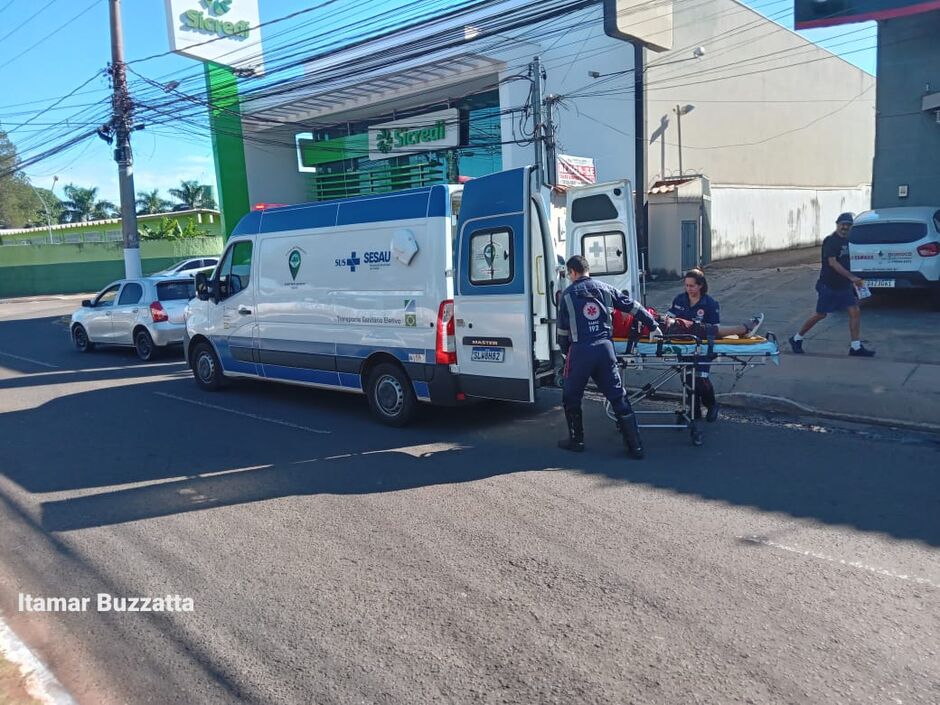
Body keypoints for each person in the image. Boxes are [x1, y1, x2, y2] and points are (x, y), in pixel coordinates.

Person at [556, 255, 663, 459]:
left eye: (569, 274)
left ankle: (577, 440)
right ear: (588, 270)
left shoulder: (567, 295)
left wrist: (564, 354)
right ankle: (636, 446)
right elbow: (634, 306)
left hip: (581, 351)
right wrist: (653, 325)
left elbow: (562, 332)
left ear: (573, 272)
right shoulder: (605, 288)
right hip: (605, 349)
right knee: (617, 396)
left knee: (571, 396)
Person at [789, 212, 875, 357]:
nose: (845, 227)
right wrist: (852, 277)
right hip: (828, 285)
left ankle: (855, 347)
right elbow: (832, 263)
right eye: (843, 224)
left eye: (848, 225)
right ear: (837, 224)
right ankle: (797, 338)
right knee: (821, 314)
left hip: (843, 286)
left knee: (855, 312)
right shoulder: (831, 241)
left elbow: (846, 262)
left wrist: (854, 279)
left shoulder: (846, 241)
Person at [669, 269, 721, 422]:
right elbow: (669, 318)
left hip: (703, 346)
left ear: (700, 286)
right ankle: (694, 409)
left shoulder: (710, 304)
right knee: (687, 378)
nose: (688, 289)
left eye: (692, 286)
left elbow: (715, 329)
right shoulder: (679, 300)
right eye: (686, 285)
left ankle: (711, 405)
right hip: (683, 345)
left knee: (700, 379)